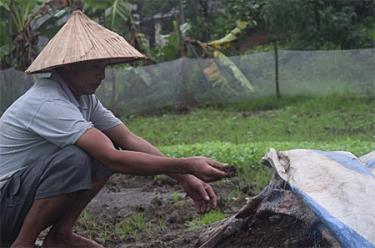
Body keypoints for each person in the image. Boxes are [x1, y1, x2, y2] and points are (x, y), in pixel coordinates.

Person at [0, 10, 228, 247]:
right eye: (94, 66)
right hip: (4, 204)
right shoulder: (48, 101)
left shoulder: (83, 98)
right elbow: (113, 158)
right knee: (77, 158)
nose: (102, 75)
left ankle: (61, 234)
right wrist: (187, 164)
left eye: (104, 66)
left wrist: (184, 178)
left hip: (16, 203)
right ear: (68, 67)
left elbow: (128, 139)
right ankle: (23, 243)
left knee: (95, 155)